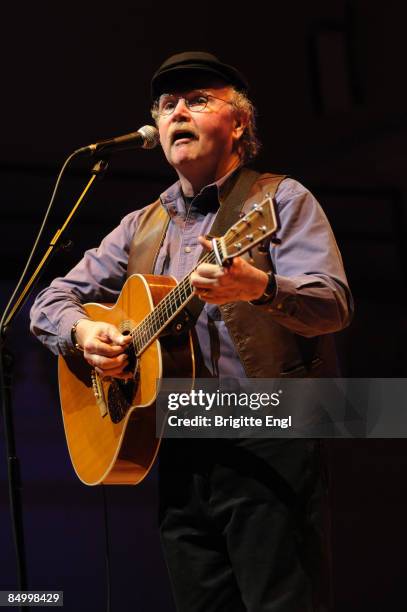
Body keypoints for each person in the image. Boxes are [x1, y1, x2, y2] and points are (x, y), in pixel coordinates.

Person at [30, 51, 353, 612]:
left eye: (197, 100)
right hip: (176, 444)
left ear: (239, 122)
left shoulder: (278, 199)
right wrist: (84, 334)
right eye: (166, 104)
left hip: (267, 434)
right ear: (155, 130)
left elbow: (332, 305)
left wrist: (261, 288)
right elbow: (48, 300)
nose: (177, 111)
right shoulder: (140, 224)